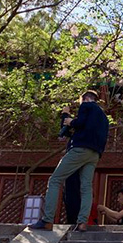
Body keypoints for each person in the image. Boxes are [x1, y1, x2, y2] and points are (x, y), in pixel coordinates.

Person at [29, 90, 109, 232]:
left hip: (79, 150)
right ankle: (83, 222)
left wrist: (70, 120)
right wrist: (67, 120)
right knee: (86, 188)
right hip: (95, 154)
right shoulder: (104, 117)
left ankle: (47, 220)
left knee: (55, 180)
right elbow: (76, 129)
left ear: (84, 99)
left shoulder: (86, 106)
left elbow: (80, 123)